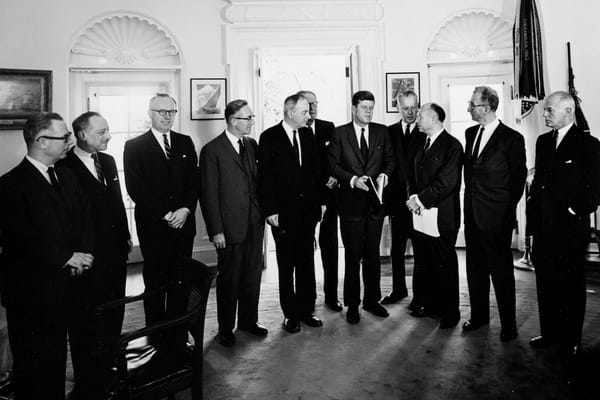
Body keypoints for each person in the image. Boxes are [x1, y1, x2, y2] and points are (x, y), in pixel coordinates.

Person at [0, 112, 94, 400]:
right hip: (31, 294)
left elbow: (85, 218)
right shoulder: (10, 185)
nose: (69, 141)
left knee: (56, 359)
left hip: (70, 287)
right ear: (41, 141)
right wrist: (67, 258)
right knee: (34, 368)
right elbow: (21, 238)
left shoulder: (66, 175)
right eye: (63, 136)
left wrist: (85, 254)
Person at [57, 112, 132, 398]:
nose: (108, 136)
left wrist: (126, 236)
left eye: (108, 130)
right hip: (88, 257)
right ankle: (88, 378)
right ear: (81, 134)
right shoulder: (64, 167)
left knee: (115, 308)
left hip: (115, 252)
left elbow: (116, 203)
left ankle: (111, 362)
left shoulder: (109, 161)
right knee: (86, 318)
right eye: (101, 132)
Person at [123, 93, 199, 351]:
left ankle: (178, 336)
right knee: (155, 283)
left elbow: (194, 182)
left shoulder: (185, 142)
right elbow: (135, 187)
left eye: (171, 112)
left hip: (184, 224)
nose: (167, 116)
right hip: (154, 226)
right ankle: (156, 338)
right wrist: (167, 214)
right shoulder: (134, 146)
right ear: (150, 113)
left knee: (181, 281)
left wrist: (186, 210)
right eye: (161, 111)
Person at [527, 91, 600, 357]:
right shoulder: (543, 142)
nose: (545, 114)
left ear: (568, 111)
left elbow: (596, 189)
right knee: (545, 283)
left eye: (549, 110)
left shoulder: (588, 144)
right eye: (545, 110)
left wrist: (574, 209)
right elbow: (539, 186)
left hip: (569, 228)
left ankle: (572, 338)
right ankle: (550, 333)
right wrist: (533, 225)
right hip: (544, 228)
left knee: (570, 285)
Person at [199, 100, 266, 347]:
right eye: (247, 118)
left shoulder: (252, 145)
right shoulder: (212, 150)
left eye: (251, 117)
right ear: (232, 120)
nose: (251, 122)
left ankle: (249, 321)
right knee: (229, 279)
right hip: (228, 228)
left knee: (252, 275)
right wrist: (216, 230)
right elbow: (208, 194)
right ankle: (225, 328)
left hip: (254, 223)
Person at [462, 86, 527, 342]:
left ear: (486, 107)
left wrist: (505, 211)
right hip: (473, 216)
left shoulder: (512, 138)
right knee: (475, 269)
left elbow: (518, 179)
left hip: (497, 218)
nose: (469, 107)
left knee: (501, 273)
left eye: (472, 103)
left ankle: (509, 326)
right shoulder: (470, 133)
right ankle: (479, 317)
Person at [258, 94, 324, 334]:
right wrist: (270, 210)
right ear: (290, 112)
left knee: (306, 263)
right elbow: (264, 178)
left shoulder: (307, 135)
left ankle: (307, 311)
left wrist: (320, 206)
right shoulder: (269, 137)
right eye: (305, 111)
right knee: (286, 266)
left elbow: (315, 174)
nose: (309, 115)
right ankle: (290, 315)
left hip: (307, 214)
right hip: (282, 215)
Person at [328, 90, 395, 324]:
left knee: (373, 256)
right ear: (354, 108)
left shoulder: (382, 131)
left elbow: (390, 161)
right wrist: (352, 180)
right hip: (350, 206)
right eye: (364, 107)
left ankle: (371, 300)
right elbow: (332, 165)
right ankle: (353, 304)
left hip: (375, 206)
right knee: (353, 257)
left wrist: (384, 176)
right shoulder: (339, 133)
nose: (368, 111)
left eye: (371, 107)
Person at [406, 103, 463, 329]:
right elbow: (410, 173)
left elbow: (446, 182)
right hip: (419, 212)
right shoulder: (419, 141)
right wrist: (412, 197)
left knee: (444, 263)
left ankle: (450, 311)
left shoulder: (452, 146)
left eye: (421, 116)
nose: (417, 119)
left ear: (435, 118)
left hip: (442, 216)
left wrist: (418, 200)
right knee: (423, 260)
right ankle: (426, 303)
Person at [296, 90, 342, 312]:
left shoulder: (328, 127)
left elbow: (335, 158)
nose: (313, 108)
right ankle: (308, 298)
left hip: (329, 196)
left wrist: (335, 176)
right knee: (305, 250)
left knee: (330, 247)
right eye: (308, 104)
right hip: (305, 201)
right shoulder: (293, 130)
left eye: (316, 103)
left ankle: (331, 297)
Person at [382, 90, 425, 307]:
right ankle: (398, 290)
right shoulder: (388, 132)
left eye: (413, 108)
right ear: (398, 108)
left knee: (420, 250)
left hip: (419, 203)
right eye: (405, 108)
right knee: (396, 250)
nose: (410, 113)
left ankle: (420, 296)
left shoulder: (425, 131)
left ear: (418, 107)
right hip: (396, 203)